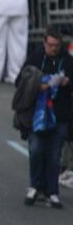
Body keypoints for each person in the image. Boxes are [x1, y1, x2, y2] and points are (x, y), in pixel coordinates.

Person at [23, 28, 73, 208]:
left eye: (57, 46)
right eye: (50, 45)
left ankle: (52, 191)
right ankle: (35, 186)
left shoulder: (67, 61)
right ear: (44, 43)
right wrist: (39, 84)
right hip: (37, 114)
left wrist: (67, 82)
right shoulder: (35, 59)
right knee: (36, 150)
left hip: (59, 114)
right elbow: (20, 80)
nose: (53, 49)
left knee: (54, 155)